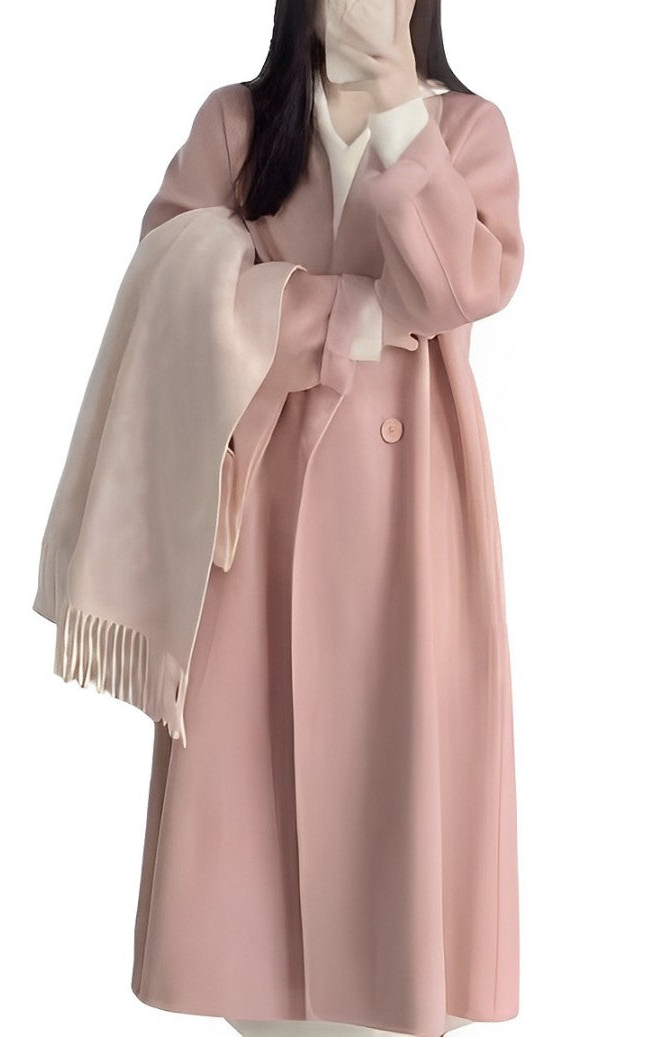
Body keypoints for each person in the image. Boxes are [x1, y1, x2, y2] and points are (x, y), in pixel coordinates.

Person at [129, 3, 525, 1036]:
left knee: (397, 802)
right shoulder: (237, 126)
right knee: (256, 831)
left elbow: (455, 288)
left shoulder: (464, 130)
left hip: (412, 535)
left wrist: (395, 102)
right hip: (260, 529)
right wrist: (346, 318)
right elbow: (170, 298)